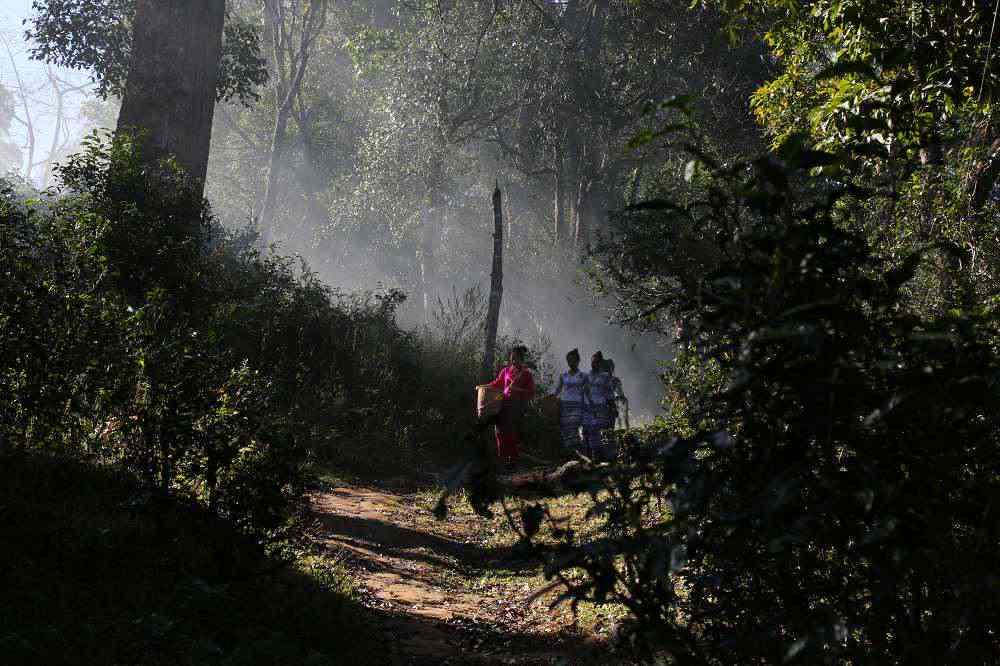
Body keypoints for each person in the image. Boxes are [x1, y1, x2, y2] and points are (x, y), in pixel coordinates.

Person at [486, 345, 535, 469]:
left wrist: (516, 389)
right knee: (499, 432)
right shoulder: (506, 371)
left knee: (511, 434)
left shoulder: (526, 374)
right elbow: (497, 383)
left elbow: (530, 392)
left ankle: (512, 461)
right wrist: (484, 387)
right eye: (512, 358)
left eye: (516, 358)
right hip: (503, 404)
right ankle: (501, 459)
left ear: (521, 359)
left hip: (516, 407)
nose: (513, 361)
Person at [552, 348, 588, 454]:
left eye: (573, 360)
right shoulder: (563, 375)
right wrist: (552, 398)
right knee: (565, 428)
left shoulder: (583, 376)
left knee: (573, 426)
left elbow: (587, 392)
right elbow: (558, 390)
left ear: (578, 361)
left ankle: (579, 451)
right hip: (565, 404)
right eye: (569, 360)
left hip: (577, 404)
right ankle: (570, 453)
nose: (570, 362)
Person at [584, 351, 617, 462]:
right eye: (593, 362)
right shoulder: (586, 377)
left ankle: (604, 458)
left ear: (600, 363)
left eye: (597, 362)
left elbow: (609, 394)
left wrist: (613, 407)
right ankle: (588, 460)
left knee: (602, 434)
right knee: (587, 434)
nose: (594, 364)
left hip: (601, 409)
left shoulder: (605, 377)